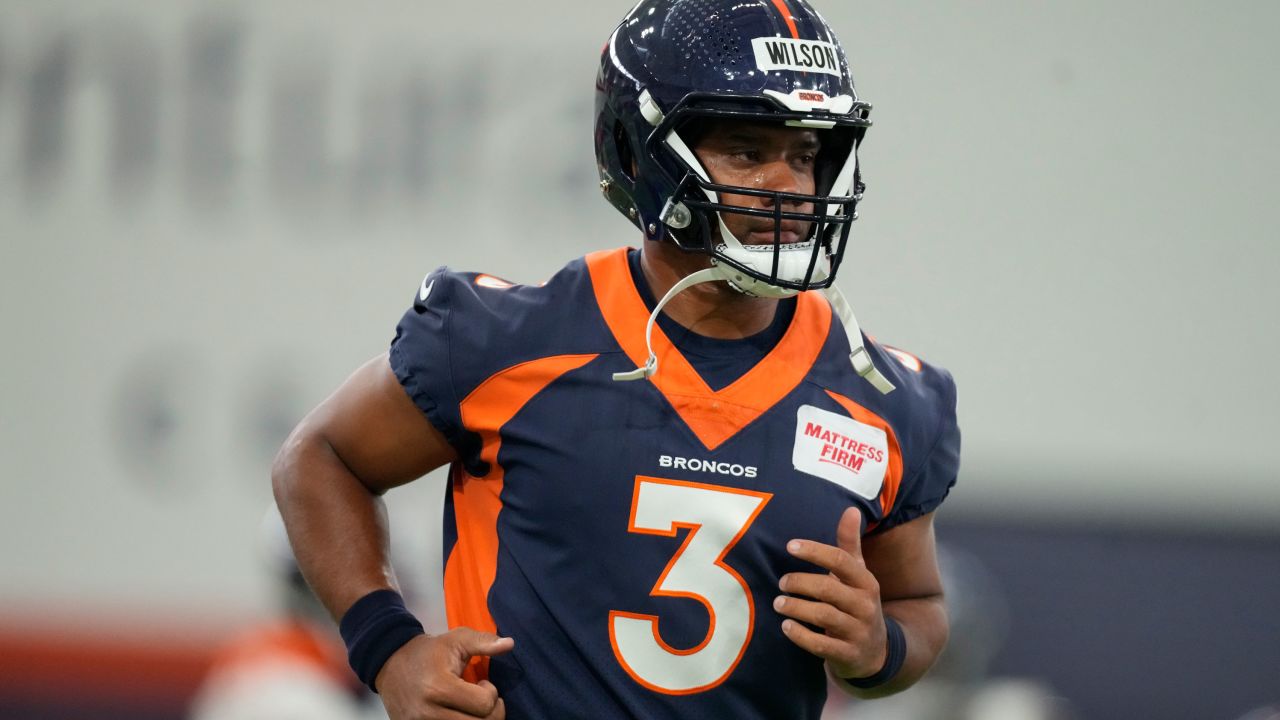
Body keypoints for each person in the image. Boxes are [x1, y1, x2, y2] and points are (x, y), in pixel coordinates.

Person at [272, 0, 961, 718]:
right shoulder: (505, 342)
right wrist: (387, 648)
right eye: (748, 150)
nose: (789, 184)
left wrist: (879, 648)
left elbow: (919, 603)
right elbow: (318, 458)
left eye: (805, 154)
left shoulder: (885, 399)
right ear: (641, 152)